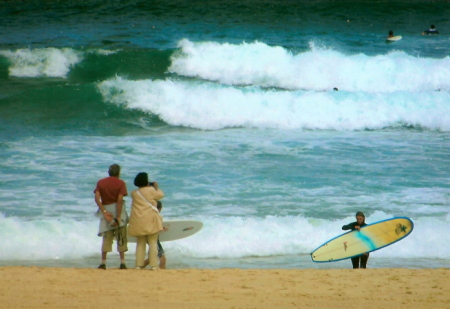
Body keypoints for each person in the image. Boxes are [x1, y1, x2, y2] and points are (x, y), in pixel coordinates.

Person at [94, 164, 129, 270]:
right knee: (121, 237)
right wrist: (118, 216)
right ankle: (122, 263)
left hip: (106, 211)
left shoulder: (101, 182)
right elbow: (119, 200)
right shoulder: (121, 183)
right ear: (118, 173)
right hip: (118, 211)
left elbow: (97, 199)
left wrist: (104, 211)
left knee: (106, 237)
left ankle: (103, 263)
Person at [128, 172, 164, 270]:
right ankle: (153, 265)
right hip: (150, 219)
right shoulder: (151, 190)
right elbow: (161, 195)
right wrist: (156, 187)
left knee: (140, 242)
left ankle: (139, 265)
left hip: (138, 220)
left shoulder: (134, 193)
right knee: (153, 242)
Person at [143, 201, 167, 269]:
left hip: (148, 238)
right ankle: (162, 272)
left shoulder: (147, 217)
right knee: (163, 258)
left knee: (151, 258)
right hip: (154, 239)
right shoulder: (158, 216)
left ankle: (140, 267)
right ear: (159, 209)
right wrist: (162, 228)